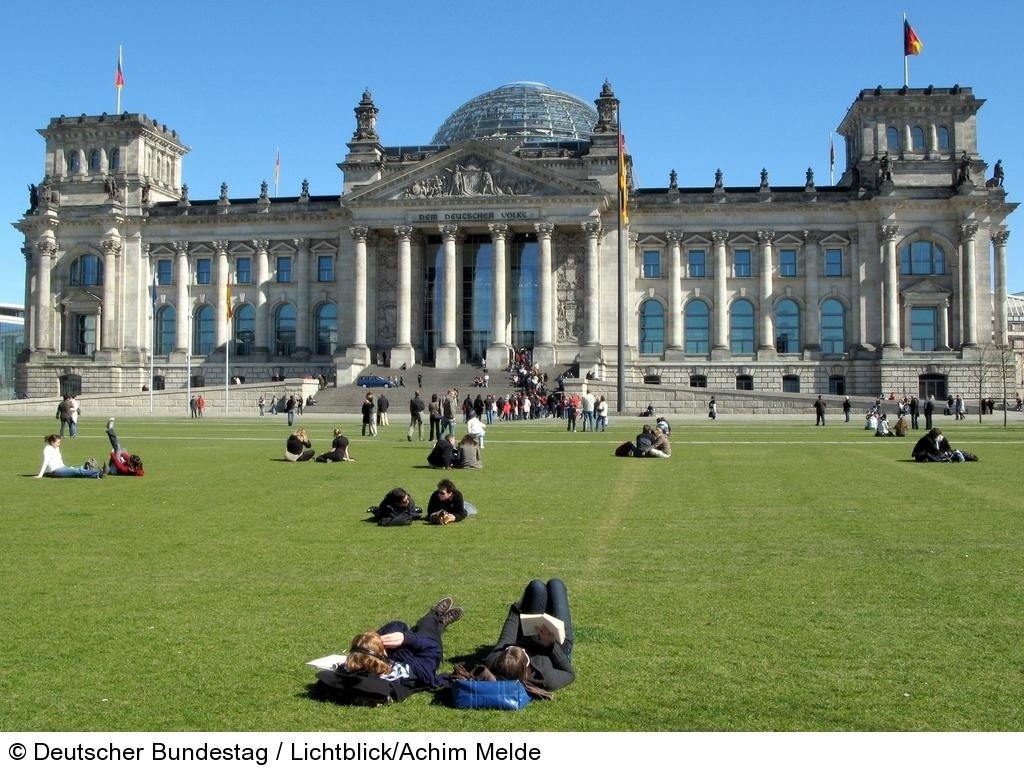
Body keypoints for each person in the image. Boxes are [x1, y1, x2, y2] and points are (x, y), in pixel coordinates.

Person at [340, 596, 464, 690]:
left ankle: (439, 623)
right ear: (382, 655)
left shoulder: (358, 668)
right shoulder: (411, 671)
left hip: (399, 652)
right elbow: (433, 649)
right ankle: (436, 616)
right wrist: (406, 638)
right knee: (426, 627)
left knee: (410, 628)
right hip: (425, 653)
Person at [484, 579, 575, 692]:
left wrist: (519, 605)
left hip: (533, 636)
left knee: (536, 586)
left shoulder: (493, 660)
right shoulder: (545, 677)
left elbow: (507, 634)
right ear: (527, 665)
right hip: (557, 645)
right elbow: (570, 674)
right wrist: (551, 645)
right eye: (524, 652)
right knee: (556, 584)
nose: (523, 649)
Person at [35, 434, 104, 479]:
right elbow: (45, 462)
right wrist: (40, 475)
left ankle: (96, 475)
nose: (59, 444)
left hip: (62, 468)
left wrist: (67, 468)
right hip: (56, 471)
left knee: (76, 472)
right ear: (52, 442)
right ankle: (99, 472)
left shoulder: (56, 448)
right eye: (58, 442)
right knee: (77, 471)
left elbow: (59, 460)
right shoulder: (47, 449)